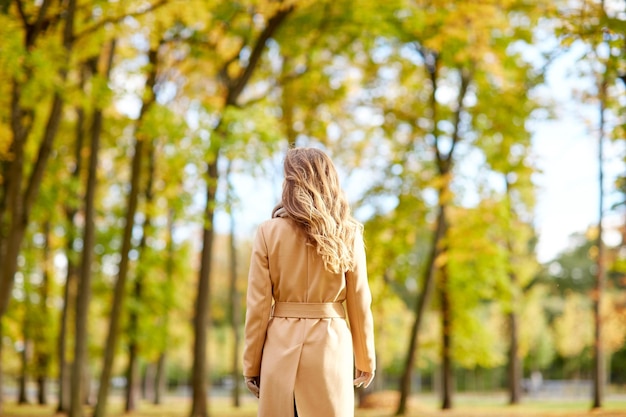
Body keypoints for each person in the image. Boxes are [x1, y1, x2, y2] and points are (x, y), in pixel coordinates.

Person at [242, 147, 376, 417]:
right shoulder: (347, 233)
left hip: (279, 348)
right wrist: (365, 358)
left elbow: (257, 308)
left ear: (290, 182)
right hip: (330, 347)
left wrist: (251, 365)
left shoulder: (268, 232)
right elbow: (359, 303)